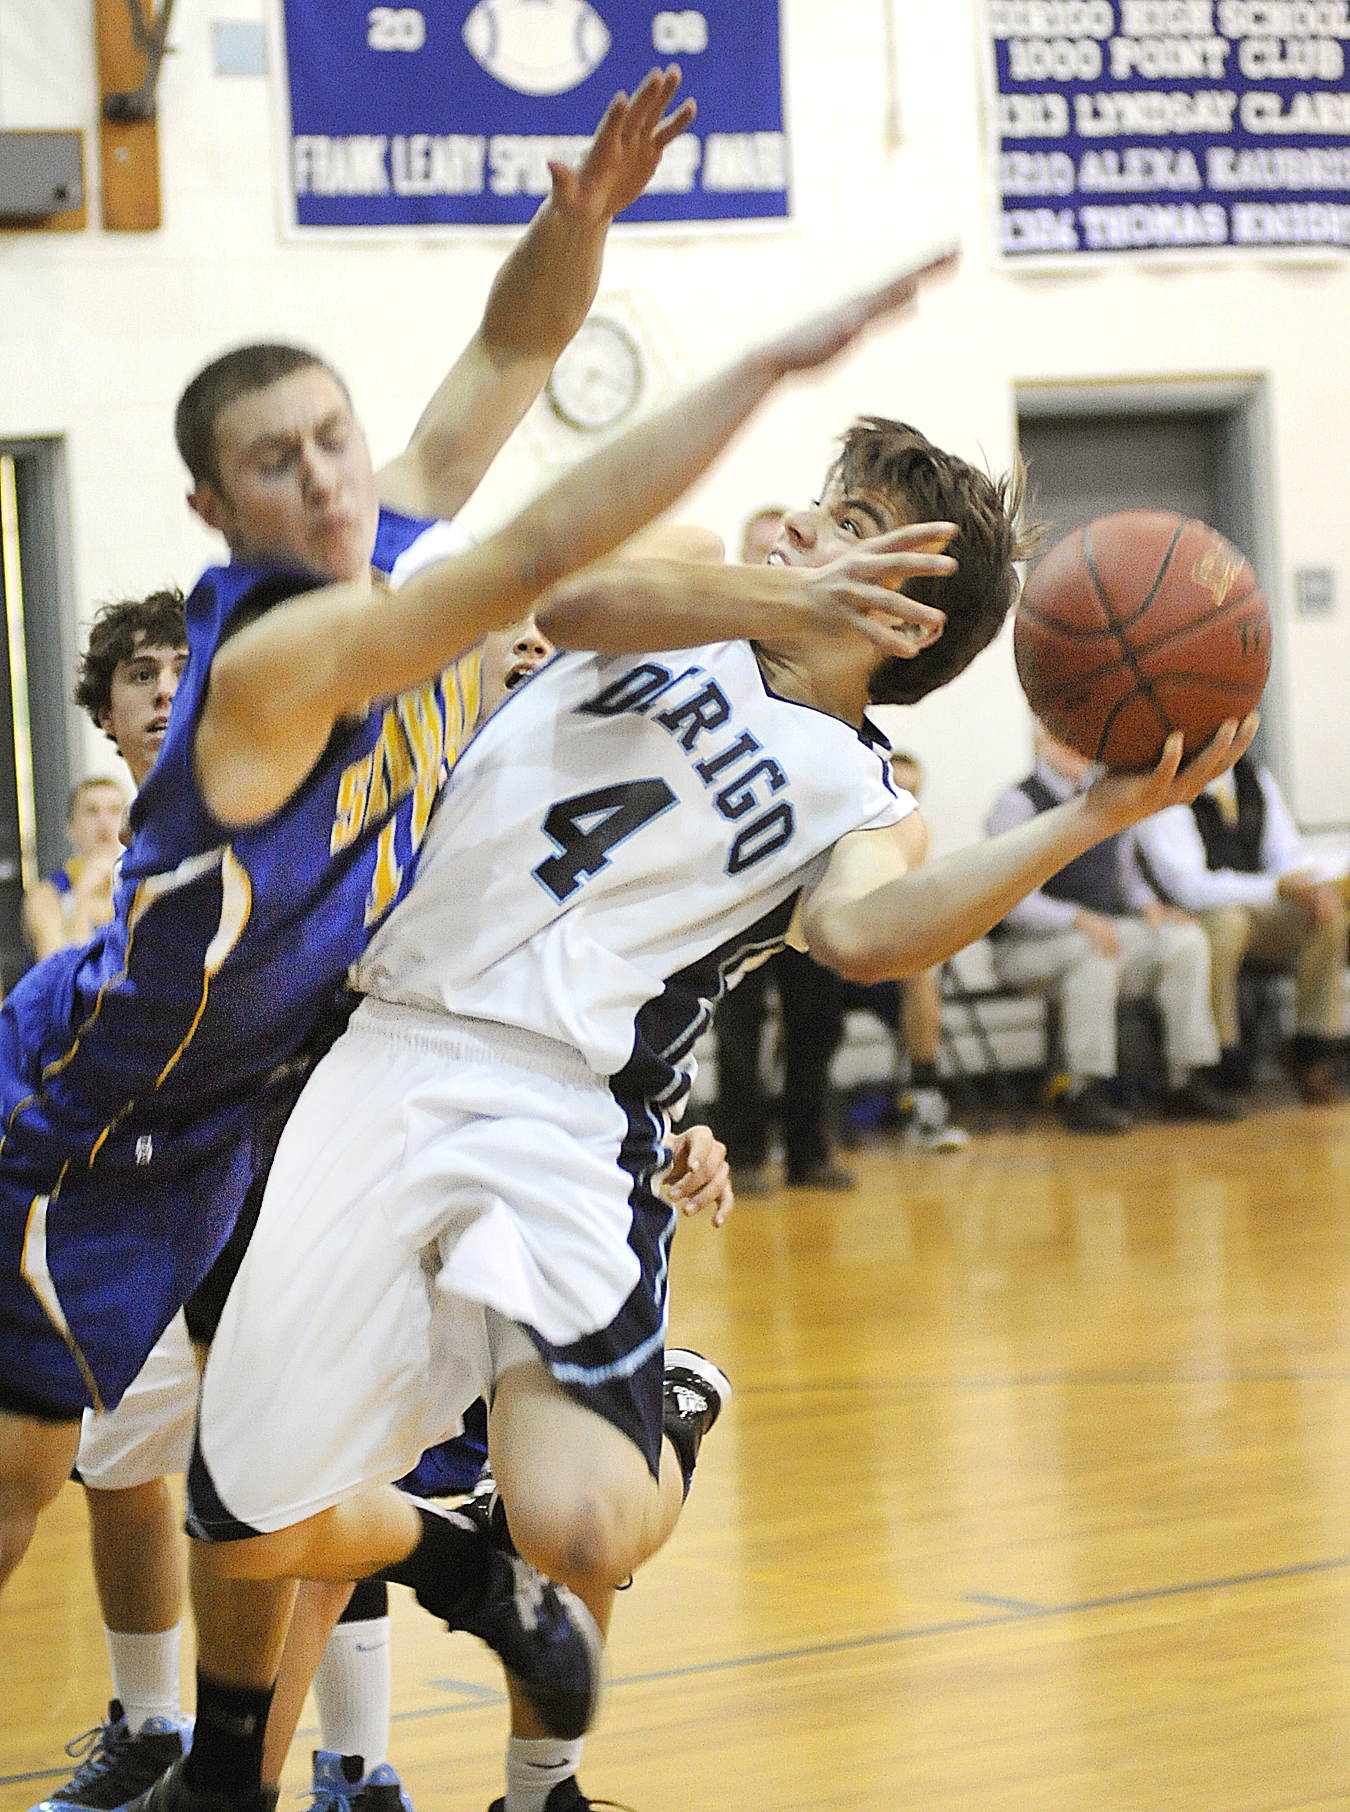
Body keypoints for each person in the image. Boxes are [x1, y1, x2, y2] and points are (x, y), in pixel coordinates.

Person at [171, 384, 1254, 1812]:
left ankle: (648, 1448)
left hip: (568, 1110)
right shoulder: (685, 590)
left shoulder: (862, 791)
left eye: (849, 526)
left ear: (906, 619)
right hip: (384, 1041)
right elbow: (580, 594)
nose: (801, 524)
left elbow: (866, 932)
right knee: (250, 1517)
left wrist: (1093, 817)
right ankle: (352, 1663)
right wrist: (794, 586)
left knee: (582, 1528)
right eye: (821, 505)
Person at [1, 233, 968, 1805]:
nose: (329, 479)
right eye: (278, 460)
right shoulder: (336, 635)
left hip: (361, 1081)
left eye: (337, 442)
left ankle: (316, 1766)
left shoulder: (435, 569)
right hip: (158, 1100)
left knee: (292, 1488)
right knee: (165, 1487)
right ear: (210, 506)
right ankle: (282, 1698)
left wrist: (584, 226)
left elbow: (501, 379)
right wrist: (760, 390)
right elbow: (543, 568)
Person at [985, 723, 1244, 1133]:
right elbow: (1010, 901)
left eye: (1080, 738)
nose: (1076, 747)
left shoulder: (1103, 796)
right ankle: (1083, 1088)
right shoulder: (1017, 804)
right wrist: (1077, 918)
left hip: (1098, 932)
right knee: (1093, 952)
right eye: (1064, 737)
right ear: (1041, 741)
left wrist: (1151, 907)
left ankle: (1186, 1078)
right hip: (1025, 948)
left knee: (1185, 940)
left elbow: (1125, 877)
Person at [712, 506, 855, 1193]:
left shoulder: (827, 649)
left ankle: (808, 1150)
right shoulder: (718, 644)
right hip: (737, 864)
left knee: (816, 1020)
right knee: (737, 1021)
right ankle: (742, 1152)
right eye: (761, 548)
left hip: (811, 858)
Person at [1134, 751, 1350, 1102]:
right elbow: (1189, 889)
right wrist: (1276, 887)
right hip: (1188, 915)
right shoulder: (1167, 783)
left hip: (1255, 906)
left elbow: (1286, 855)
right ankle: (1222, 1058)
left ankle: (1314, 1049)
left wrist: (1309, 887)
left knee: (1326, 913)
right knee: (1227, 924)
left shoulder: (1253, 777)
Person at [839, 749, 969, 1151]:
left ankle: (926, 1098)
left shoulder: (915, 839)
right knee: (797, 985)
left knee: (920, 971)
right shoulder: (846, 833)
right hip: (829, 965)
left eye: (912, 793)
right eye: (896, 788)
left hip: (883, 970)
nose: (903, 799)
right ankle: (790, 1113)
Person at [23, 777, 129, 961]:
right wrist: (83, 900)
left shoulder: (140, 884)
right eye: (92, 811)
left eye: (114, 810)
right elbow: (58, 973)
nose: (104, 822)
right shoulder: (48, 895)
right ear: (70, 826)